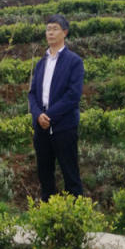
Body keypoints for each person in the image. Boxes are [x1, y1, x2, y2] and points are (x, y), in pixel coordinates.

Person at [28, 14, 84, 203]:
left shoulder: (74, 61)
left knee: (70, 173)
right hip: (41, 127)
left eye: (54, 29)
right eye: (48, 29)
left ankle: (76, 216)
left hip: (63, 126)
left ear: (64, 33)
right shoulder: (41, 62)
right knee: (45, 173)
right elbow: (32, 94)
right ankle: (48, 214)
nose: (50, 33)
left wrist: (48, 115)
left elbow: (73, 95)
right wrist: (38, 115)